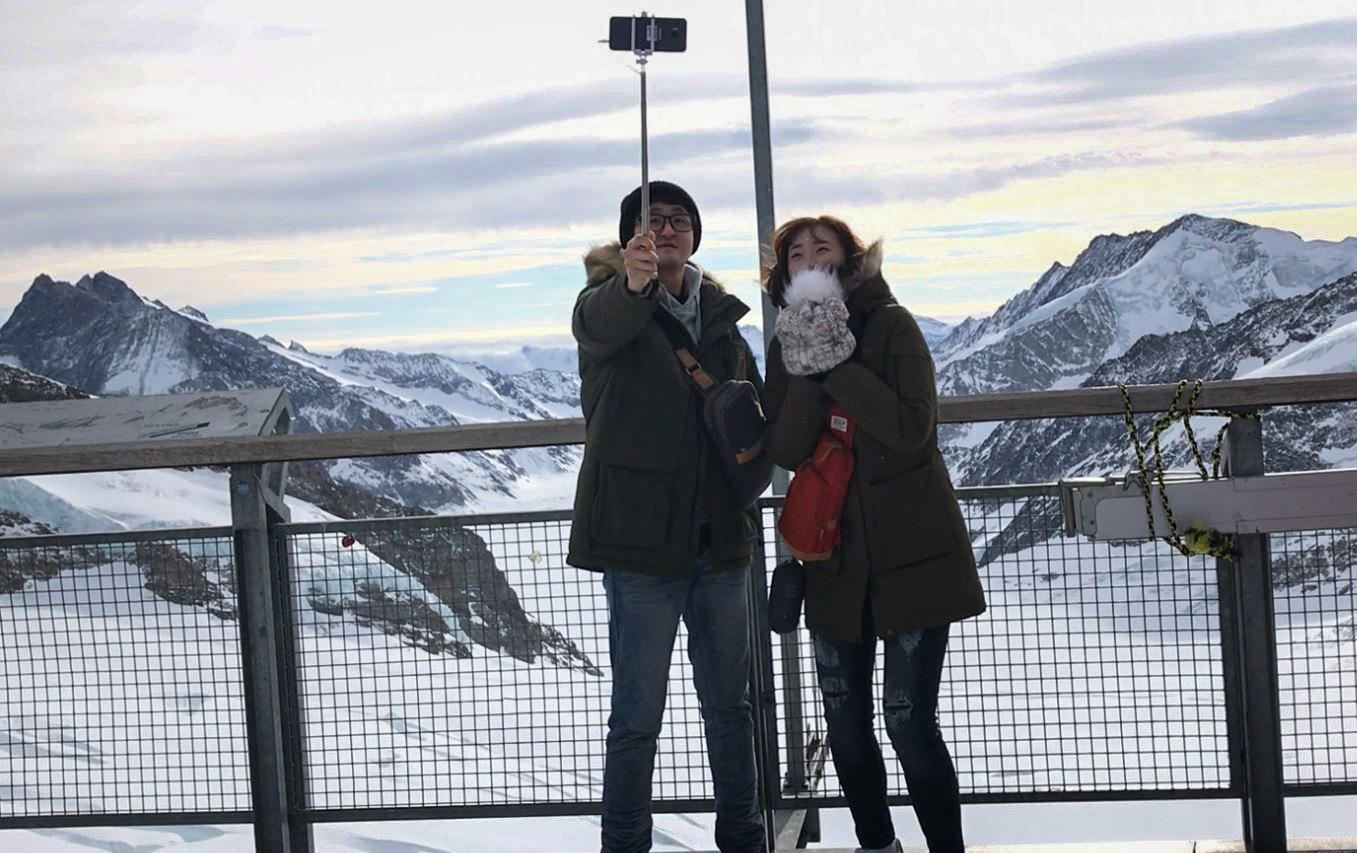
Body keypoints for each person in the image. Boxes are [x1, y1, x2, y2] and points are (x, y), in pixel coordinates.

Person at [761, 216, 986, 853]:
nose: (808, 260)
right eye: (795, 254)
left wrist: (835, 365)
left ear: (850, 262)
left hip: (912, 555)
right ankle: (877, 845)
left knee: (908, 719)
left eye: (821, 249)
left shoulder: (893, 326)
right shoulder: (786, 343)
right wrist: (807, 366)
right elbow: (786, 445)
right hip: (831, 560)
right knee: (845, 721)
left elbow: (911, 427)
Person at [568, 181, 768, 853]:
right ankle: (624, 846)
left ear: (695, 234)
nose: (667, 230)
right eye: (650, 223)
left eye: (679, 220)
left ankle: (744, 838)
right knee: (635, 718)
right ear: (628, 239)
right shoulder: (605, 307)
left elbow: (753, 413)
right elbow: (605, 322)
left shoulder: (720, 318)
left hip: (720, 539)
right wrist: (633, 283)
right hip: (641, 543)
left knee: (731, 709)